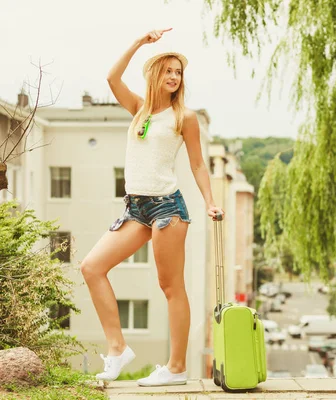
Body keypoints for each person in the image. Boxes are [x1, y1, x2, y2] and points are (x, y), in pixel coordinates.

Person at [80, 28, 224, 387]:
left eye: (179, 72)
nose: (175, 77)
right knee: (92, 267)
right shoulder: (138, 110)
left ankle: (176, 368)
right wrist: (140, 43)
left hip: (167, 209)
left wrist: (209, 202)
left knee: (170, 286)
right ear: (154, 75)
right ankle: (117, 349)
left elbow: (198, 164)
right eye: (169, 71)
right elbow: (111, 78)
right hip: (135, 210)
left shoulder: (184, 118)